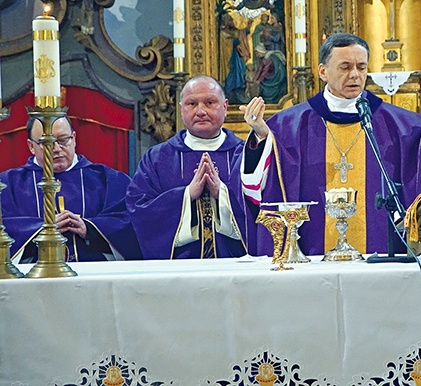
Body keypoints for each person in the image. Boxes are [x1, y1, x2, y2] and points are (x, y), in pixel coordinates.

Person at [240, 33, 421, 257]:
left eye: (361, 67)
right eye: (345, 67)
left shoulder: (399, 124)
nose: (355, 75)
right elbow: (263, 183)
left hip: (381, 253)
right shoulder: (289, 125)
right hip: (312, 253)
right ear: (323, 71)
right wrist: (261, 137)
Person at [127, 75, 249, 259]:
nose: (201, 111)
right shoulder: (157, 158)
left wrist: (221, 193)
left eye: (209, 102)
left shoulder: (247, 155)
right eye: (192, 104)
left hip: (237, 267)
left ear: (225, 107)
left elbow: (263, 209)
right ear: (181, 109)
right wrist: (186, 195)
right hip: (179, 270)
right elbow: (138, 210)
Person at [0, 115, 141, 262]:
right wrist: (42, 230)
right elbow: (5, 226)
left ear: (74, 139)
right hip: (30, 277)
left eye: (63, 140)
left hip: (95, 275)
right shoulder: (7, 184)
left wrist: (89, 229)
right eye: (46, 143)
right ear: (31, 146)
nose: (56, 149)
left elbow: (129, 223)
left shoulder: (109, 180)